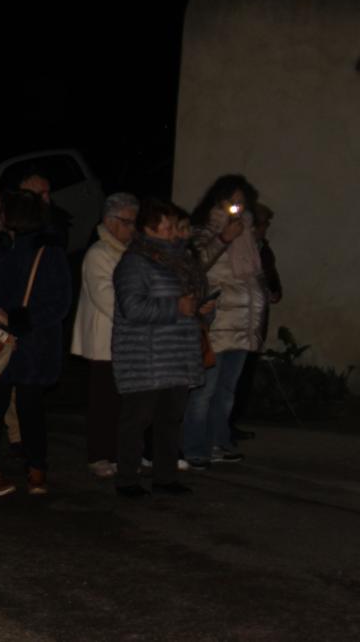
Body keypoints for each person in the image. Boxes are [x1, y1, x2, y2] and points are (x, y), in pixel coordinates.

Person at [111, 199, 214, 497]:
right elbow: (132, 307)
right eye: (167, 227)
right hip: (145, 358)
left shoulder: (181, 262)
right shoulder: (135, 262)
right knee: (136, 421)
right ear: (148, 228)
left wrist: (201, 310)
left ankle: (165, 477)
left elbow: (188, 306)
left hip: (178, 355)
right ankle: (127, 479)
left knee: (170, 420)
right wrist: (176, 307)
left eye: (173, 226)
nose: (173, 232)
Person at [0, 191, 71, 496]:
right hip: (2, 343)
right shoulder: (2, 246)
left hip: (32, 346)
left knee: (30, 408)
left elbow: (58, 303)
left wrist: (13, 318)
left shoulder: (49, 250)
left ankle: (36, 467)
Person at [182, 175, 265, 469]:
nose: (236, 207)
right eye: (231, 201)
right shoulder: (202, 231)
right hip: (216, 323)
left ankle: (218, 442)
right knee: (204, 391)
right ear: (217, 201)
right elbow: (196, 265)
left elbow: (254, 277)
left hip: (242, 325)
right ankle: (194, 447)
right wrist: (223, 239)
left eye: (241, 201)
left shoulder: (248, 234)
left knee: (227, 392)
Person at [71, 192, 139, 479]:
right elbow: (106, 298)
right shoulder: (99, 254)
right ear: (110, 222)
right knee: (103, 402)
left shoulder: (128, 252)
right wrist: (140, 311)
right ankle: (99, 455)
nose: (132, 228)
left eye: (134, 222)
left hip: (125, 338)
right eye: (127, 222)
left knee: (121, 403)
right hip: (104, 340)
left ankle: (117, 453)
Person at [230, 202, 282, 440]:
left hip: (255, 322)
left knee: (244, 377)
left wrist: (274, 290)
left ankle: (232, 422)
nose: (265, 230)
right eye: (263, 225)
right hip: (237, 324)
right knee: (231, 379)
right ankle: (222, 427)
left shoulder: (263, 249)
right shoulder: (238, 248)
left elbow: (270, 276)